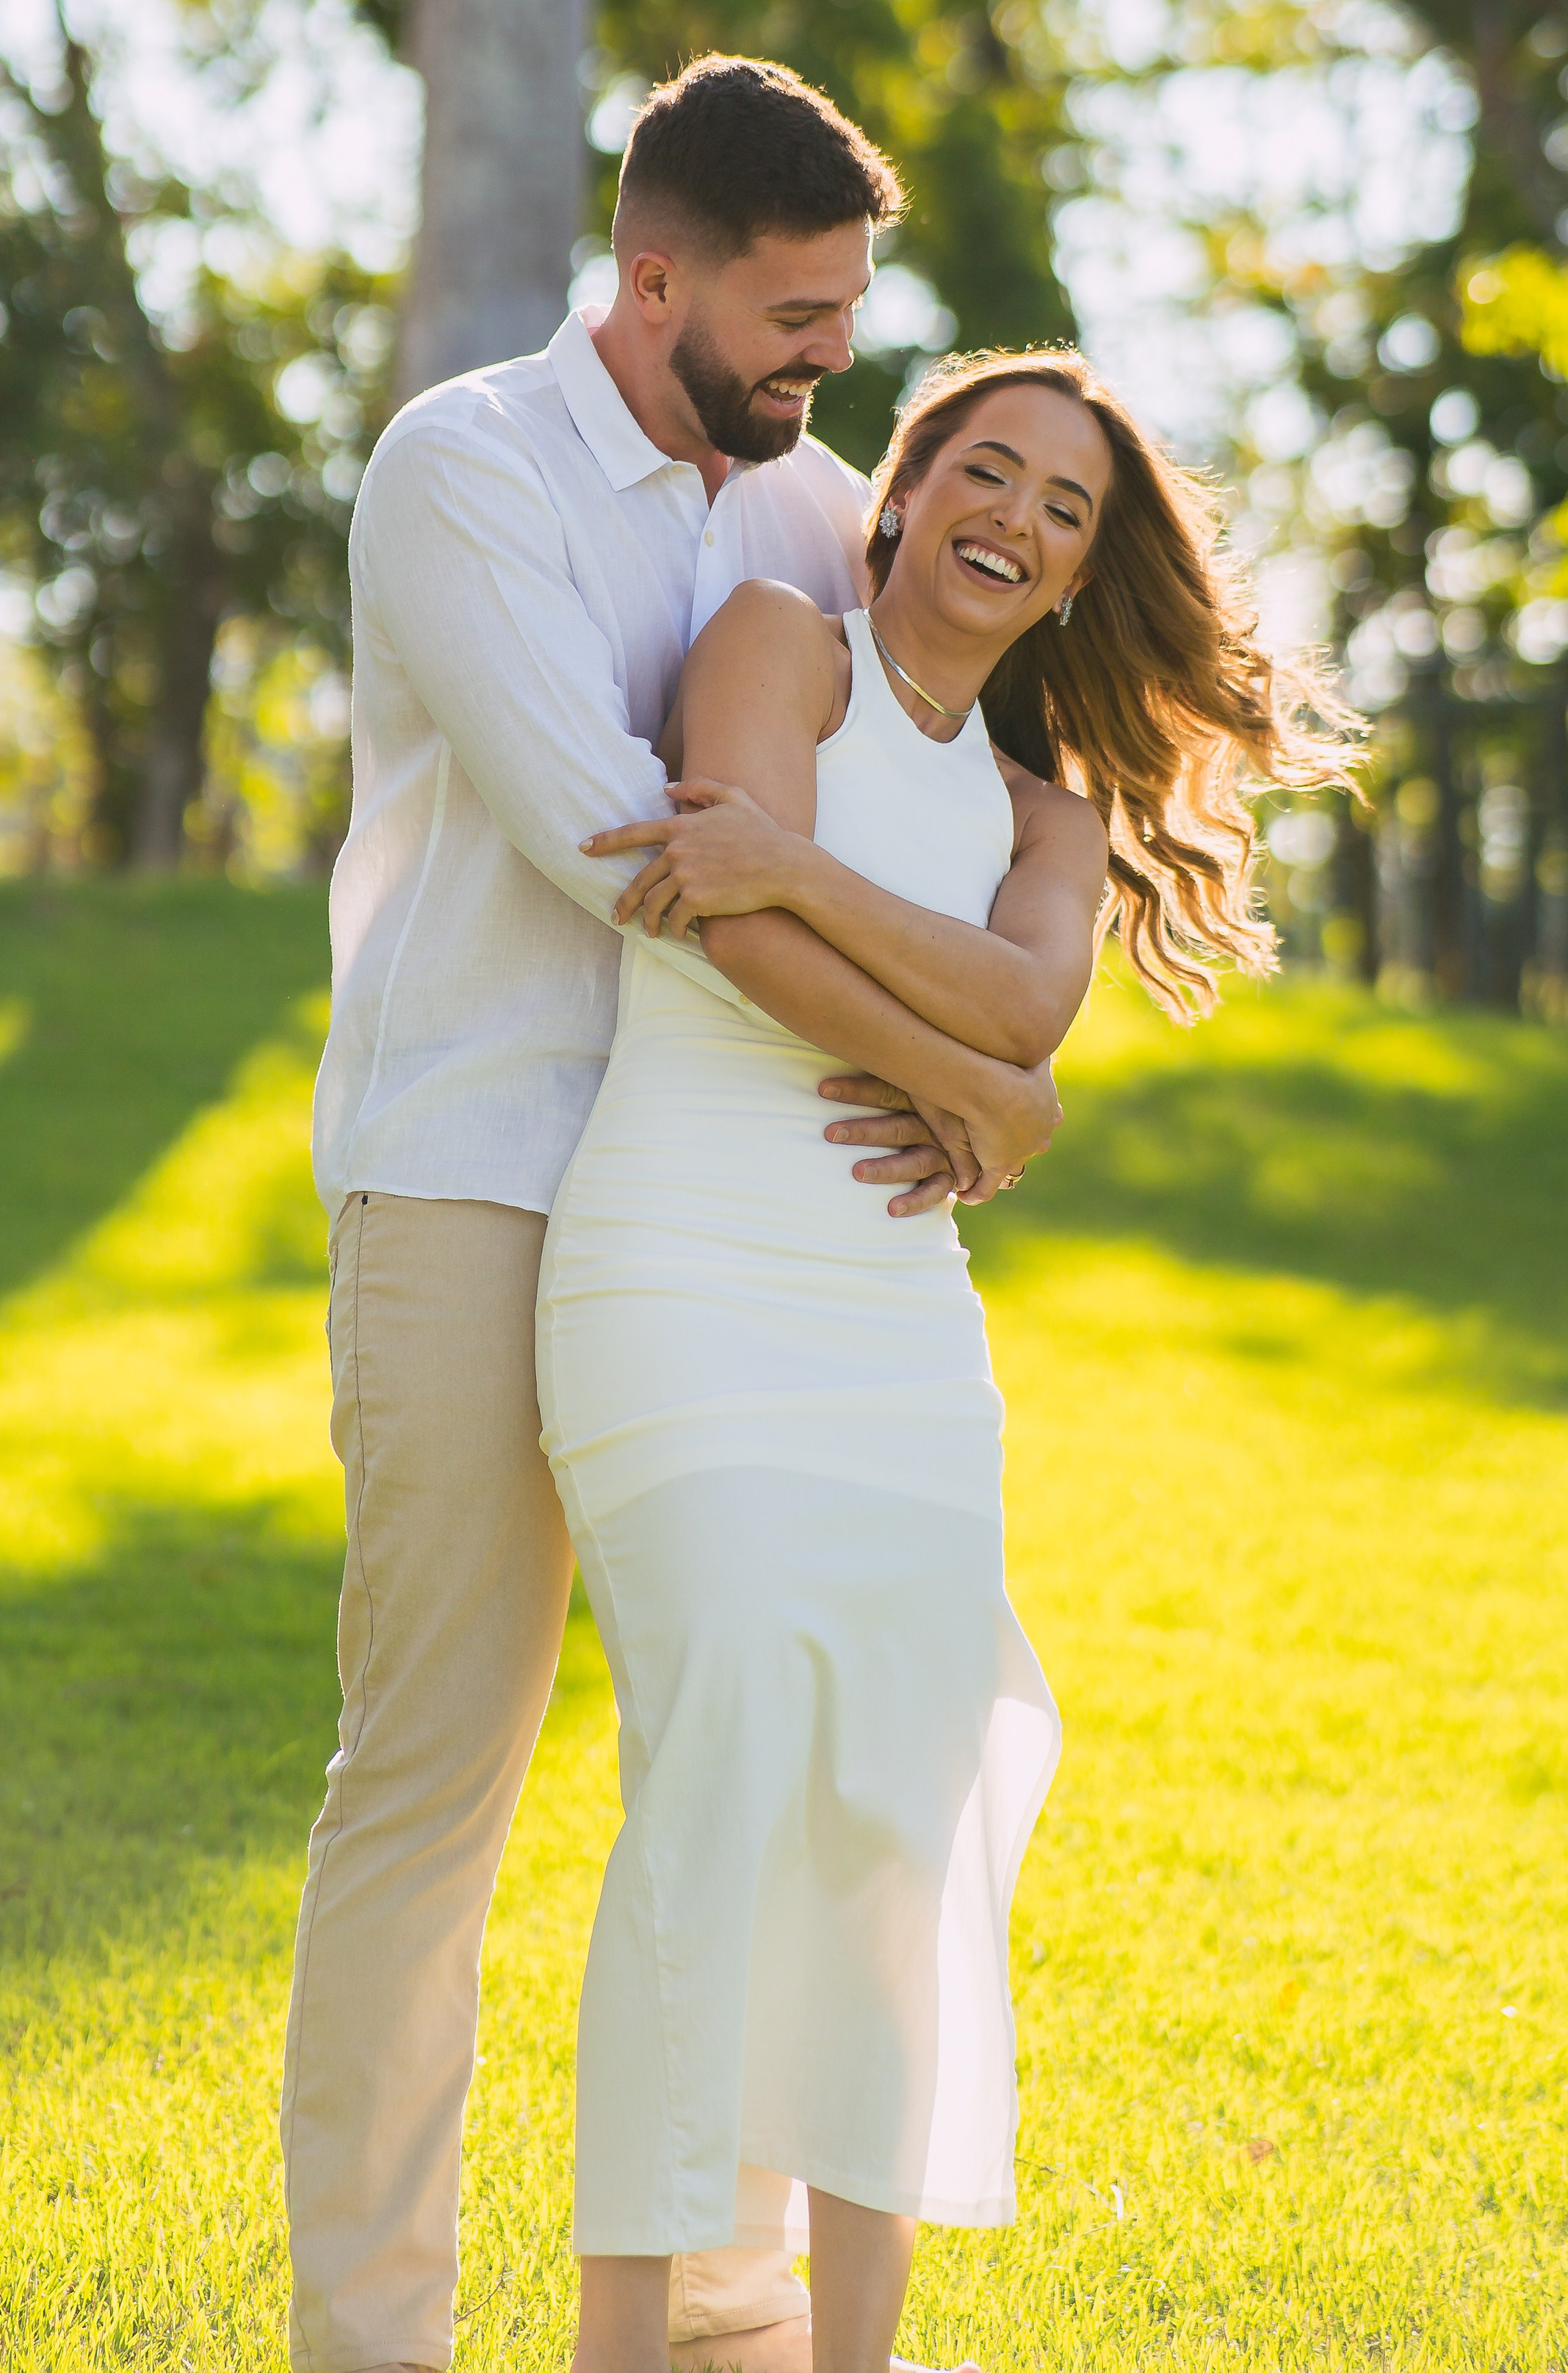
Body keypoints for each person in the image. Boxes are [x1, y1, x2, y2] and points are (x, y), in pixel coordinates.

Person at [284, 57, 1063, 2373]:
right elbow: (636, 846)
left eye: (846, 316)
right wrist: (961, 1073)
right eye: (796, 313)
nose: (833, 359)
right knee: (435, 1777)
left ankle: (728, 2332)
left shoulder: (819, 513)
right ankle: (374, 2344)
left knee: (745, 1763)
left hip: (725, 1221)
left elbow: (916, 782)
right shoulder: (466, 466)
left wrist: (1008, 1021)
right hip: (473, 1166)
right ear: (653, 281)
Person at [542, 347, 1365, 2373]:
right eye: (982, 472)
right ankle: (623, 2348)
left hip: (899, 1348)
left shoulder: (1049, 816)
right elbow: (721, 931)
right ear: (897, 494)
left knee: (901, 1833)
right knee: (714, 1773)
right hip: (681, 1278)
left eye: (1064, 509)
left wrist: (848, 916)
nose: (1015, 517)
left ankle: (848, 2355)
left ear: (1080, 577)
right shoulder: (774, 642)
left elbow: (1011, 994)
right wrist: (986, 1098)